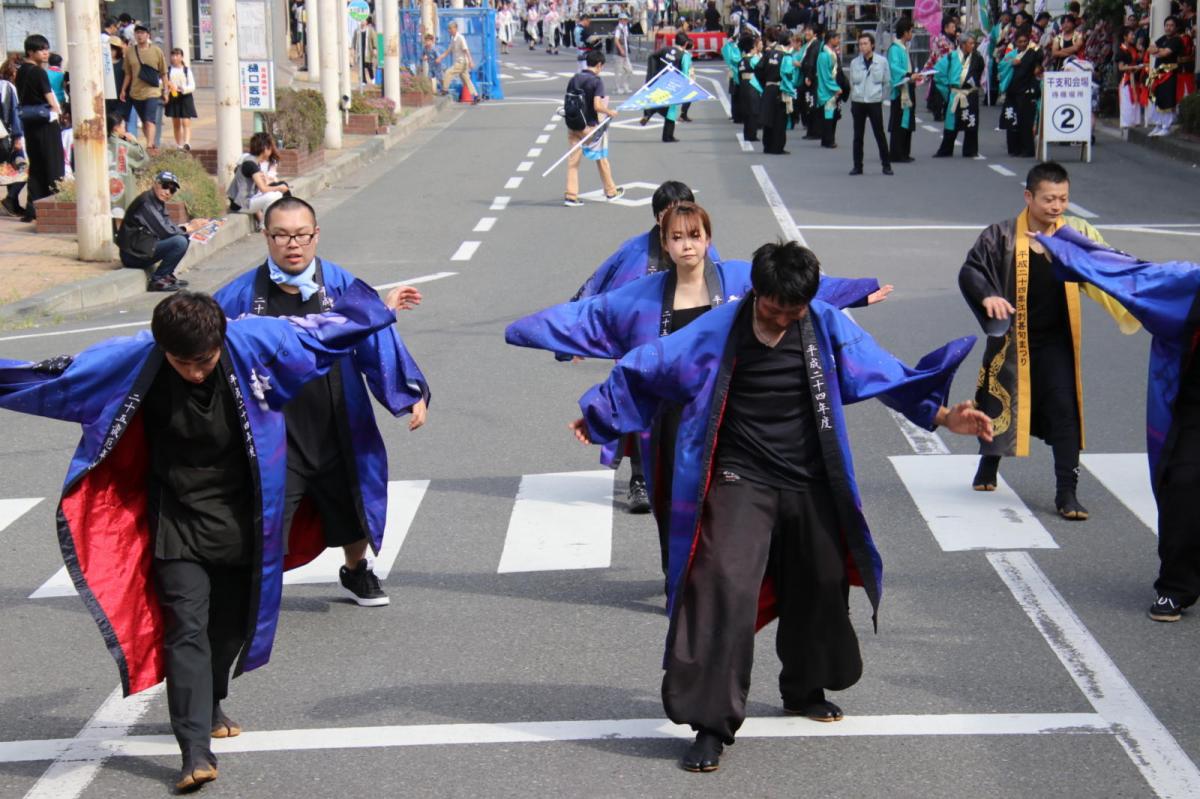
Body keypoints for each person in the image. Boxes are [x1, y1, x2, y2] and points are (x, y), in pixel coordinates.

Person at [567, 240, 988, 773]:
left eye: (795, 310)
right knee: (721, 584)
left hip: (810, 477)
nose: (784, 318)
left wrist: (945, 417)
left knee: (822, 579)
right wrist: (600, 416)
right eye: (774, 308)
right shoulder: (720, 329)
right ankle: (710, 724)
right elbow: (649, 365)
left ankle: (804, 686)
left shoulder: (824, 324)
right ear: (756, 293)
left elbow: (883, 372)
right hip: (739, 475)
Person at [0, 284, 399, 792]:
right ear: (162, 348)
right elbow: (49, 377)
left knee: (229, 629)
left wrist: (377, 309)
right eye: (182, 362)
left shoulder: (257, 342)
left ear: (221, 339)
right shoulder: (131, 361)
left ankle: (209, 703)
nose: (194, 372)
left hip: (248, 516)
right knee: (185, 629)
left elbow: (323, 333)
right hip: (177, 518)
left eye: (204, 361)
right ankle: (193, 751)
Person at [508, 205, 885, 581]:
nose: (687, 245)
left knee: (724, 504)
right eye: (677, 237)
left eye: (694, 236)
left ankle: (716, 581)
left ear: (708, 239)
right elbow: (590, 316)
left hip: (726, 410)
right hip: (670, 415)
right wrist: (527, 330)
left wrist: (856, 293)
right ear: (664, 243)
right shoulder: (641, 296)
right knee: (674, 501)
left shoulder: (737, 279)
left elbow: (796, 291)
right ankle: (678, 579)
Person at [214, 196, 430, 608]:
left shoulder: (340, 285)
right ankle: (256, 588)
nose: (292, 244)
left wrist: (408, 393)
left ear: (316, 235)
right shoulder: (238, 296)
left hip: (336, 415)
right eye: (282, 235)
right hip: (273, 424)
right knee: (267, 512)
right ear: (266, 237)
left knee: (354, 502)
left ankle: (356, 569)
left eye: (301, 234)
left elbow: (373, 335)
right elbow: (203, 346)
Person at [1035, 225, 1200, 623]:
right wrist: (1071, 253)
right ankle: (1175, 586)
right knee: (1182, 484)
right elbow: (1133, 276)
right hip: (1195, 409)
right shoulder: (1192, 284)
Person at [958, 162, 1139, 519]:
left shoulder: (1076, 234)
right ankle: (989, 462)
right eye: (1049, 199)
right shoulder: (1001, 236)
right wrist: (987, 295)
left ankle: (1066, 493)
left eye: (1063, 199)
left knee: (1064, 410)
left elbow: (1111, 264)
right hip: (1012, 340)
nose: (1057, 206)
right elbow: (972, 270)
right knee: (999, 405)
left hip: (1057, 341)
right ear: (1029, 197)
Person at [120, 170, 212, 291]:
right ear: (155, 184)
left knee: (184, 238)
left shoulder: (157, 201)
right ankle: (158, 279)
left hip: (144, 247)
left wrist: (190, 226)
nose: (167, 192)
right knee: (179, 242)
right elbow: (164, 232)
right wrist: (189, 227)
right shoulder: (146, 202)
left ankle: (167, 274)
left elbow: (168, 225)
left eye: (172, 190)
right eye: (165, 186)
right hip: (133, 254)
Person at [14, 35, 64, 224]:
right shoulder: (38, 72)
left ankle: (32, 209)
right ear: (30, 52)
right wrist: (58, 111)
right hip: (45, 122)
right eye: (41, 49)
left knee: (36, 165)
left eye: (47, 49)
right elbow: (49, 95)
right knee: (53, 164)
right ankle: (53, 208)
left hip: (29, 121)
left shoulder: (21, 71)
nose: (46, 53)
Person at [563, 50, 622, 207]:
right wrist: (610, 112)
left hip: (574, 124)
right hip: (590, 127)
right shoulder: (596, 81)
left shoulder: (575, 78)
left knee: (573, 161)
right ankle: (611, 191)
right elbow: (597, 106)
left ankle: (571, 195)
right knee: (601, 158)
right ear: (599, 65)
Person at [932, 33, 984, 158]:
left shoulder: (977, 57)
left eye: (974, 43)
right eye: (971, 43)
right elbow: (938, 73)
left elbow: (979, 71)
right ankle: (946, 149)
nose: (973, 46)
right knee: (951, 122)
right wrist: (948, 89)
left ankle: (970, 150)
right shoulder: (951, 57)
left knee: (971, 121)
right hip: (956, 93)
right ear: (963, 45)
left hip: (970, 93)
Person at [848, 31, 891, 175]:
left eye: (865, 44)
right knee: (858, 136)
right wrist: (855, 95)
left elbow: (887, 82)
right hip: (858, 101)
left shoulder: (881, 61)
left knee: (879, 133)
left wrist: (880, 97)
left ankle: (886, 165)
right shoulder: (854, 63)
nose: (862, 47)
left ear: (872, 45)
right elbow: (852, 82)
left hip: (874, 101)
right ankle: (857, 166)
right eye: (860, 44)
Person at [227, 132, 290, 225]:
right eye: (270, 148)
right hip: (240, 204)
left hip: (245, 200)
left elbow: (261, 185)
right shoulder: (251, 164)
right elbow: (263, 189)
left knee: (277, 191)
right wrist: (279, 188)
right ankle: (264, 225)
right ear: (265, 149)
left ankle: (275, 221)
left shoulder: (253, 161)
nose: (271, 150)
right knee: (275, 195)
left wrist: (270, 181)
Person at [639, 32, 693, 143]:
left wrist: (652, 76)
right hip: (672, 85)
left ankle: (649, 112)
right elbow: (685, 73)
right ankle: (668, 136)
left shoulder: (665, 49)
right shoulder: (684, 55)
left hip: (660, 81)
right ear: (686, 43)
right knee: (671, 111)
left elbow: (652, 57)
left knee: (659, 101)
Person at [120, 24, 168, 145]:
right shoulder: (130, 52)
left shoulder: (156, 51)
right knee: (144, 122)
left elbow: (163, 73)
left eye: (142, 33)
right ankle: (152, 144)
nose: (140, 35)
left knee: (149, 120)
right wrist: (123, 90)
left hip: (152, 92)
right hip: (136, 93)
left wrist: (166, 91)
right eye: (137, 33)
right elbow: (128, 74)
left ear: (148, 35)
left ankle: (150, 146)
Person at [1000, 28, 1040, 158]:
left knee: (1025, 121)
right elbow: (1001, 65)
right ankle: (1014, 148)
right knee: (1011, 120)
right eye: (1020, 41)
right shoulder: (1011, 54)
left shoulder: (1032, 54)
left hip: (1025, 92)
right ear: (1015, 42)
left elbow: (1035, 68)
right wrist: (1011, 63)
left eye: (1025, 41)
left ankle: (1027, 149)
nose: (1022, 44)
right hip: (1012, 91)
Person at [755, 30, 794, 154]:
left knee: (768, 118)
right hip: (780, 89)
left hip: (768, 88)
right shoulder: (786, 56)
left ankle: (767, 146)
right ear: (789, 41)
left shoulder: (769, 53)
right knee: (779, 120)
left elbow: (758, 69)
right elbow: (788, 74)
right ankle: (777, 147)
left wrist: (765, 83)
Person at [887, 18, 920, 163]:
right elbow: (894, 68)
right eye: (910, 31)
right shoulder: (895, 49)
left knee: (907, 120)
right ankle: (897, 153)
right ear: (905, 32)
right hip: (901, 89)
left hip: (908, 86)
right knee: (899, 121)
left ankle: (905, 152)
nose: (911, 34)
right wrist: (908, 75)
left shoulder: (903, 47)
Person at [1146, 16, 1183, 136]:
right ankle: (1158, 124)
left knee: (1167, 99)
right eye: (1167, 25)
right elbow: (1150, 49)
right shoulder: (1163, 38)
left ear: (1176, 27)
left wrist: (1158, 51)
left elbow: (1165, 53)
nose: (1168, 28)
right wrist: (1159, 50)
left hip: (1169, 74)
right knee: (1156, 99)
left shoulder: (1177, 41)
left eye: (1171, 25)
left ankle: (1166, 127)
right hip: (1158, 74)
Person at [0, 56, 27, 219]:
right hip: (7, 135)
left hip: (3, 134)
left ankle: (13, 203)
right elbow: (13, 113)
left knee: (12, 168)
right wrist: (17, 137)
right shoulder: (8, 87)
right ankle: (11, 199)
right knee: (23, 168)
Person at [107, 112, 149, 214]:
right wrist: (134, 141)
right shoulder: (125, 146)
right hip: (124, 186)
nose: (124, 128)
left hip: (107, 186)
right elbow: (143, 158)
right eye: (123, 125)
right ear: (116, 128)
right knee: (123, 214)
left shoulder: (102, 143)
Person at [814, 29, 844, 148]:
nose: (838, 40)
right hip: (826, 88)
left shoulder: (829, 53)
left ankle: (828, 138)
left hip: (830, 86)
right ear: (831, 39)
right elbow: (825, 75)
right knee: (828, 114)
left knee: (831, 114)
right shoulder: (824, 55)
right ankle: (828, 139)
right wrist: (835, 87)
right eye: (837, 38)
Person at [925, 16, 959, 121]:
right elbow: (949, 52)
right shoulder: (941, 39)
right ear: (946, 28)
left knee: (943, 91)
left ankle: (942, 111)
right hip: (940, 69)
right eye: (952, 27)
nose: (954, 29)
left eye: (955, 27)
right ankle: (938, 112)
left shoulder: (950, 38)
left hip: (945, 69)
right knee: (940, 91)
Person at [436, 21, 479, 103]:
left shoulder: (460, 38)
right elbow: (448, 50)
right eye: (448, 29)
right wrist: (440, 57)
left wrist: (471, 61)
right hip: (460, 62)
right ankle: (476, 96)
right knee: (466, 81)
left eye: (450, 28)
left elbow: (466, 50)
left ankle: (444, 90)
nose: (449, 30)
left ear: (455, 28)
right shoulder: (453, 39)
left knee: (448, 72)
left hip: (461, 62)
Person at [164, 48, 197, 151]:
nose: (174, 58)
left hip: (185, 96)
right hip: (173, 97)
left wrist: (183, 89)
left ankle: (187, 143)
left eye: (177, 55)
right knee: (176, 122)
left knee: (186, 121)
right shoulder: (168, 70)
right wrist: (168, 88)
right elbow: (162, 82)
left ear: (182, 57)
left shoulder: (187, 70)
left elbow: (192, 85)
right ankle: (179, 144)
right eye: (173, 55)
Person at [734, 34, 763, 143]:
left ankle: (747, 133)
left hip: (743, 86)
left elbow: (738, 76)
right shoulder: (754, 59)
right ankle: (752, 134)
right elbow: (761, 71)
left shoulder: (741, 61)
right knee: (754, 111)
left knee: (746, 111)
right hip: (753, 85)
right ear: (752, 47)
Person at [1116, 27, 1147, 130]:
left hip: (1135, 77)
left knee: (1135, 99)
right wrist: (1133, 67)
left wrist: (1141, 51)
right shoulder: (1121, 50)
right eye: (1131, 35)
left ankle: (1135, 121)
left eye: (1134, 35)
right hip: (1126, 78)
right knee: (1127, 101)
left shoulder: (1133, 48)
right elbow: (1121, 67)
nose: (1133, 37)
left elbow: (1138, 58)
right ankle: (1127, 123)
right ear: (1125, 37)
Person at [614, 13, 634, 94]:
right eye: (625, 19)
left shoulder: (625, 28)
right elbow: (616, 40)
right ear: (620, 20)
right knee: (618, 71)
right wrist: (621, 49)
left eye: (626, 19)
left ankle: (625, 86)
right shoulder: (618, 28)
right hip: (618, 53)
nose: (626, 21)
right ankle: (618, 88)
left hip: (625, 52)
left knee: (629, 70)